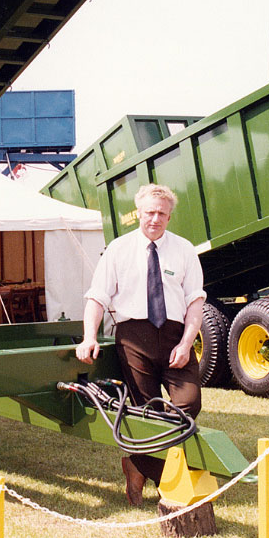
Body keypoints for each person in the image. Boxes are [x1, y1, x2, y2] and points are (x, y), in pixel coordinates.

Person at [75, 184, 206, 507]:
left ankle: (137, 464)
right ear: (138, 213)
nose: (155, 219)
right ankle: (167, 481)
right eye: (149, 212)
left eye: (161, 213)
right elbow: (98, 297)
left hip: (175, 337)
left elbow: (195, 302)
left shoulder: (185, 250)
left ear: (169, 216)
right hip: (134, 338)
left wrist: (188, 343)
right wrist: (89, 337)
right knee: (145, 412)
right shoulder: (118, 250)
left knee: (189, 404)